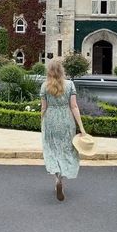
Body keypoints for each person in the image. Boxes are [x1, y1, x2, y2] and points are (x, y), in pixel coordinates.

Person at [40, 59, 86, 201]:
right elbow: (74, 107)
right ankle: (62, 177)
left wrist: (42, 121)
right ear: (62, 70)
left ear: (49, 71)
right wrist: (82, 128)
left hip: (51, 120)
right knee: (66, 149)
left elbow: (43, 107)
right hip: (66, 120)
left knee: (52, 150)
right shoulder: (70, 85)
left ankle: (57, 179)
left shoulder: (44, 86)